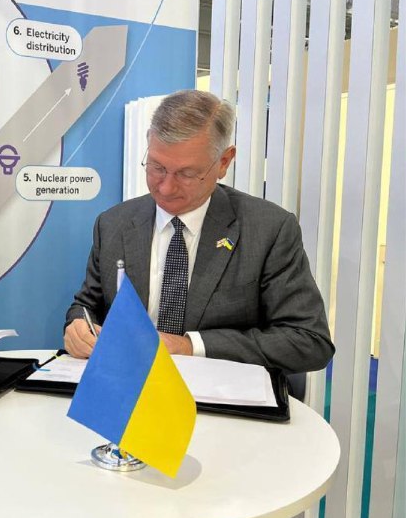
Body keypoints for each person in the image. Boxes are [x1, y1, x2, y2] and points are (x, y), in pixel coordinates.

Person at [64, 89, 334, 376]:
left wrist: (190, 345)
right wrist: (78, 326)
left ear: (224, 162)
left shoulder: (268, 230)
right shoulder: (113, 224)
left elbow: (309, 341)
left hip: (221, 393)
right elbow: (87, 306)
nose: (166, 187)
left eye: (187, 174)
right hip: (129, 388)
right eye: (157, 167)